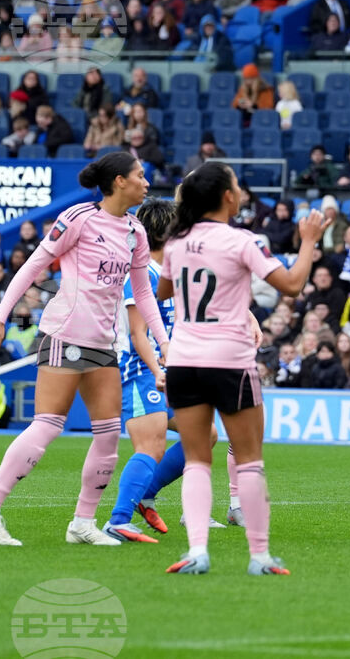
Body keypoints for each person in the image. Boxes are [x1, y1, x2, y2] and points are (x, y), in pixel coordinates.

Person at [0, 152, 170, 547]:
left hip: (106, 343)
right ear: (119, 182)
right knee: (48, 423)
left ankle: (82, 524)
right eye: (140, 176)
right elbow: (33, 266)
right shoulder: (78, 218)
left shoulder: (135, 232)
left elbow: (143, 293)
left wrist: (165, 344)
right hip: (66, 336)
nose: (147, 182)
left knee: (109, 435)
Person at [157, 162, 331, 575]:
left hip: (183, 359)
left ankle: (197, 551)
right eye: (236, 187)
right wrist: (307, 242)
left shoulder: (176, 241)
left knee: (198, 460)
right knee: (249, 460)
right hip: (229, 361)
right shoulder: (243, 240)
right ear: (227, 197)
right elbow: (290, 285)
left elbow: (163, 290)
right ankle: (259, 556)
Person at [103, 199, 231, 543]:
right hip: (141, 370)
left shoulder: (170, 273)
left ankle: (146, 492)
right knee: (151, 444)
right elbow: (137, 333)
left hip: (170, 371)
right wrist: (159, 368)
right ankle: (118, 520)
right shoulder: (142, 273)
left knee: (205, 435)